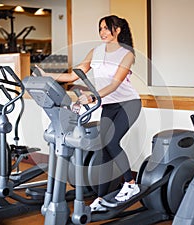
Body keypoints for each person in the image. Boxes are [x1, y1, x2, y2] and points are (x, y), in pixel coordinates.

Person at [34, 15, 142, 212]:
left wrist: (92, 97)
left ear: (117, 30)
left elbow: (115, 83)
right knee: (102, 149)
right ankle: (100, 198)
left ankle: (131, 184)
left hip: (128, 103)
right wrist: (47, 75)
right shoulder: (96, 51)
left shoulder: (127, 54)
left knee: (111, 142)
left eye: (106, 28)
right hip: (108, 104)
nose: (102, 32)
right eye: (100, 28)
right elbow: (73, 75)